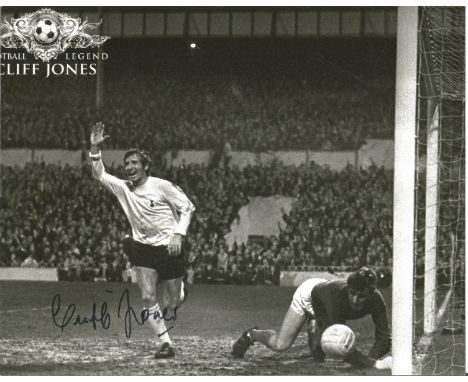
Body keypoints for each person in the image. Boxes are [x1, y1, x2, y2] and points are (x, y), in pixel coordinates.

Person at [89, 122, 195, 359]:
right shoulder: (124, 188)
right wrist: (95, 148)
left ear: (145, 166)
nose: (129, 167)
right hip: (143, 249)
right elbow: (99, 174)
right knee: (147, 297)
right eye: (127, 163)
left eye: (134, 163)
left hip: (170, 247)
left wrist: (179, 234)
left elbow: (188, 207)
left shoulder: (162, 186)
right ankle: (166, 343)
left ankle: (181, 293)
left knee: (172, 303)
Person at [232, 267, 392, 370]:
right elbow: (342, 347)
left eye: (361, 296)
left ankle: (314, 325)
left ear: (370, 294)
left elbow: (384, 337)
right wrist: (374, 364)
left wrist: (371, 357)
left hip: (324, 298)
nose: (356, 300)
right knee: (281, 344)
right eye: (352, 294)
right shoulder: (337, 299)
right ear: (348, 290)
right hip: (310, 295)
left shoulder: (377, 301)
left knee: (318, 355)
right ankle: (252, 334)